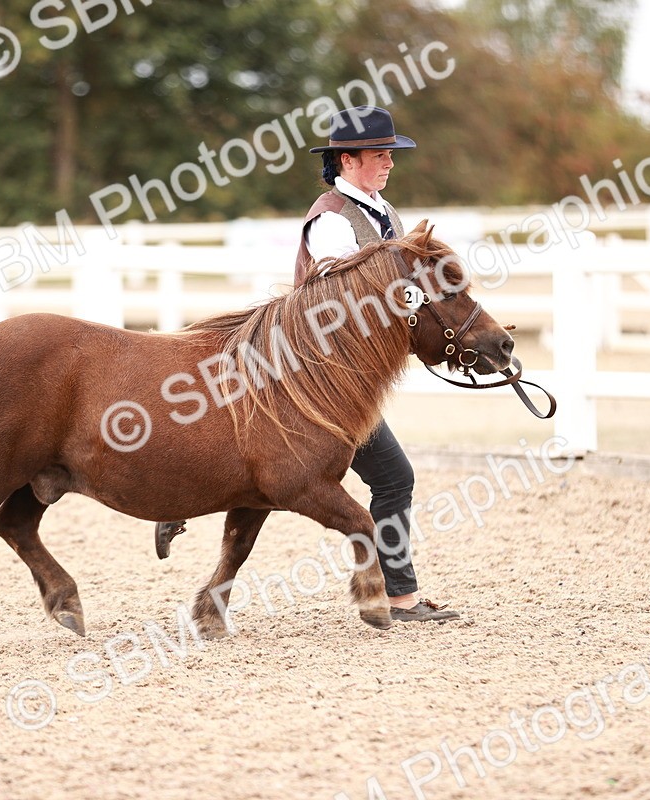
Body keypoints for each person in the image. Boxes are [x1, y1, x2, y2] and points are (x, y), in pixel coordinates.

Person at [155, 106, 459, 623]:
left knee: (342, 478)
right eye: (379, 154)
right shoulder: (333, 221)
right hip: (313, 375)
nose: (388, 162)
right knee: (389, 476)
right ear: (348, 159)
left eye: (390, 154)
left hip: (342, 381)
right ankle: (397, 597)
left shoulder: (385, 215)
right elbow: (337, 303)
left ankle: (183, 513)